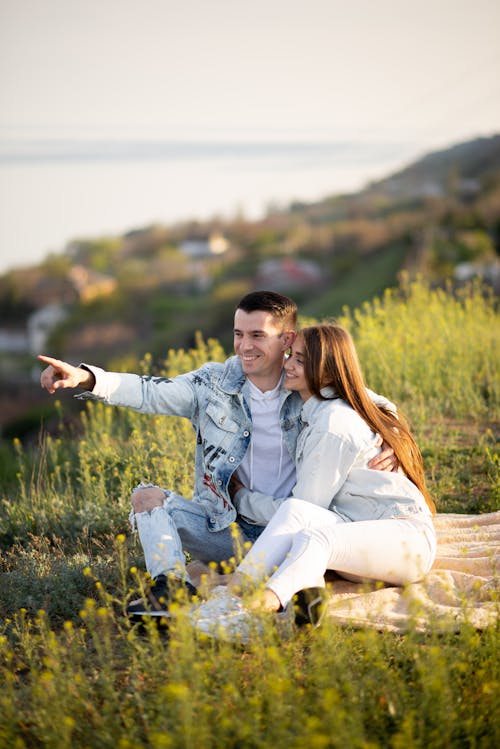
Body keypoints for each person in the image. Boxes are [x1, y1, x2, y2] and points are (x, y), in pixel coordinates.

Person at [38, 292, 396, 619]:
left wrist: (393, 435)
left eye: (257, 335)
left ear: (287, 339)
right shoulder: (212, 385)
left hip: (291, 535)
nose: (244, 346)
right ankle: (170, 589)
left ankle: (256, 584)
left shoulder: (308, 383)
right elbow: (150, 391)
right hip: (226, 530)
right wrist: (87, 378)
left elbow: (374, 403)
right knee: (147, 498)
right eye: (239, 334)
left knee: (297, 556)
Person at [193, 323, 436, 636]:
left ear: (329, 372)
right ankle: (234, 593)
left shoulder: (333, 423)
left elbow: (309, 506)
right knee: (298, 515)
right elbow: (298, 513)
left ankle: (257, 609)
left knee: (313, 536)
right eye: (291, 356)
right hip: (359, 526)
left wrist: (241, 500)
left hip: (405, 540)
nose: (288, 365)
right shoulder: (319, 409)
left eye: (300, 360)